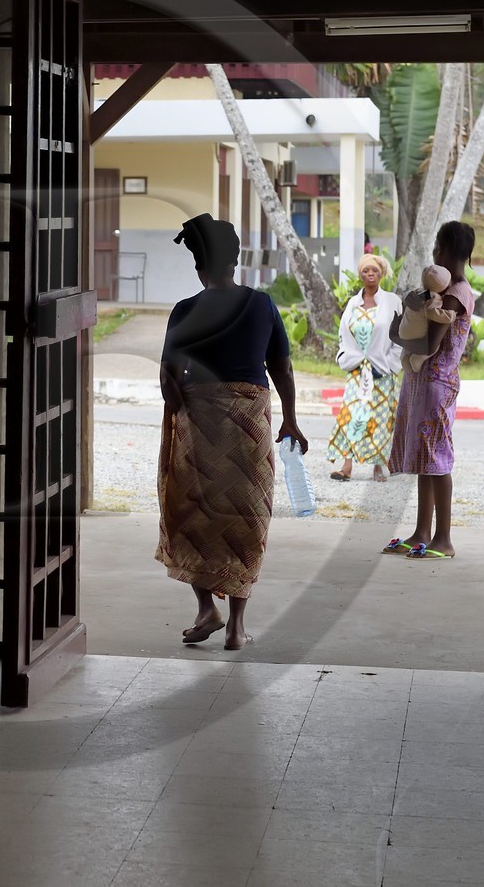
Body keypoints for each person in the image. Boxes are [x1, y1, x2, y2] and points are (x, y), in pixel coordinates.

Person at [156, 214, 308, 651]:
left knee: (191, 513)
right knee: (246, 519)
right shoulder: (261, 305)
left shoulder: (186, 310)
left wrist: (182, 406)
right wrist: (291, 418)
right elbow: (280, 366)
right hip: (249, 427)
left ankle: (206, 607)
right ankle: (236, 627)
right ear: (236, 261)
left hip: (199, 426)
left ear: (198, 266)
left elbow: (169, 380)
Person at [384, 220, 478, 561]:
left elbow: (430, 343)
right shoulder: (444, 292)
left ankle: (444, 538)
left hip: (437, 385)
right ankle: (423, 531)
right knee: (427, 459)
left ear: (450, 251)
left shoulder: (454, 296)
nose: (434, 253)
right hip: (424, 383)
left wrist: (396, 333)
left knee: (438, 459)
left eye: (438, 247)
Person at [325, 254, 400, 483]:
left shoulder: (392, 301)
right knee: (351, 415)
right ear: (360, 274)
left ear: (381, 274)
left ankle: (378, 466)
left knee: (379, 418)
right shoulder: (352, 303)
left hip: (382, 371)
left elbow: (399, 337)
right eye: (366, 271)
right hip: (357, 371)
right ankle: (346, 466)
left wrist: (389, 363)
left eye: (375, 271)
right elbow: (343, 333)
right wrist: (347, 356)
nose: (370, 275)